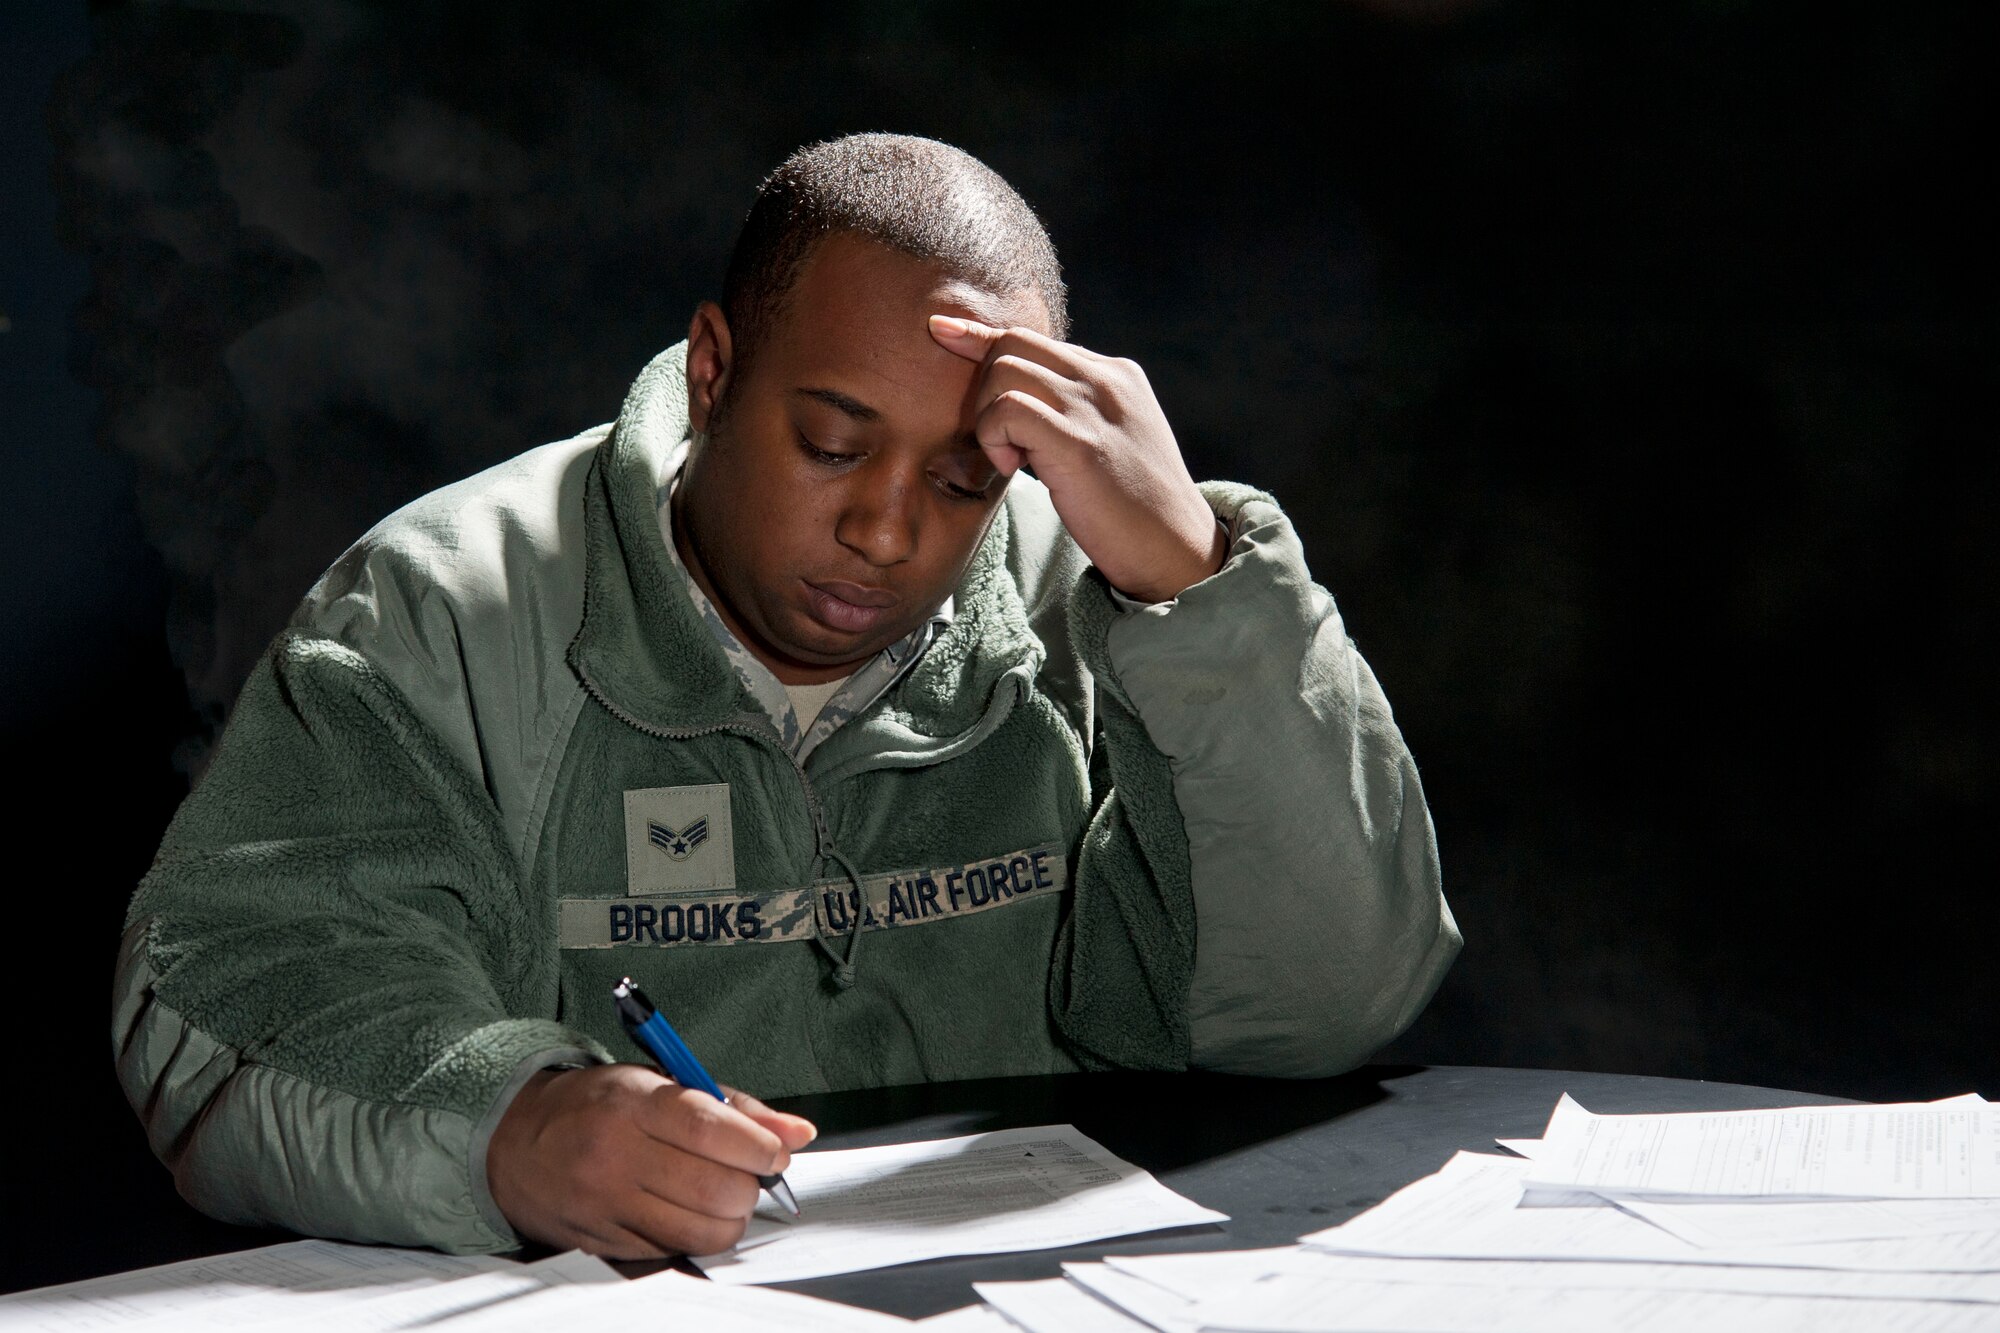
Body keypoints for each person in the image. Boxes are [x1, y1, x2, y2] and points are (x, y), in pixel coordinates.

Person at [113, 133, 1460, 1260]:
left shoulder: (1111, 599)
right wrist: (512, 1128)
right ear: (713, 372)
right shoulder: (442, 606)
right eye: (830, 443)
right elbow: (236, 981)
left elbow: (1329, 1002)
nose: (885, 531)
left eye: (960, 479)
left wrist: (1197, 589)